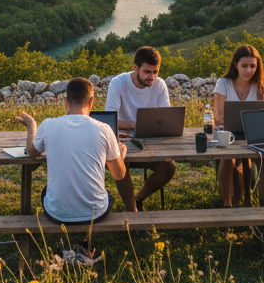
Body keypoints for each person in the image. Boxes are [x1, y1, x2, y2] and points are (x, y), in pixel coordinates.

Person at [18, 76, 135, 225]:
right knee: (108, 196)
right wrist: (120, 153)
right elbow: (119, 175)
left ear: (66, 102)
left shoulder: (48, 125)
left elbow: (32, 153)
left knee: (46, 191)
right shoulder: (104, 129)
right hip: (95, 214)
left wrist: (31, 125)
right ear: (91, 101)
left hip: (57, 214)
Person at [105, 45, 176, 207]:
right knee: (120, 162)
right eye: (147, 72)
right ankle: (132, 211)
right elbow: (110, 120)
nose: (152, 77)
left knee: (169, 167)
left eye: (155, 72)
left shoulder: (159, 84)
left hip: (149, 140)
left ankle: (138, 200)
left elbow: (166, 117)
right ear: (135, 68)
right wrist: (133, 125)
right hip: (123, 140)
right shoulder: (118, 83)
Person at [213, 44, 264, 207]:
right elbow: (218, 118)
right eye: (244, 66)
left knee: (246, 159)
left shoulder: (262, 84)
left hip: (254, 134)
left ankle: (248, 198)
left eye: (253, 66)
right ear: (235, 65)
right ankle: (227, 204)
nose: (248, 70)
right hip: (229, 133)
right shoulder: (223, 83)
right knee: (227, 158)